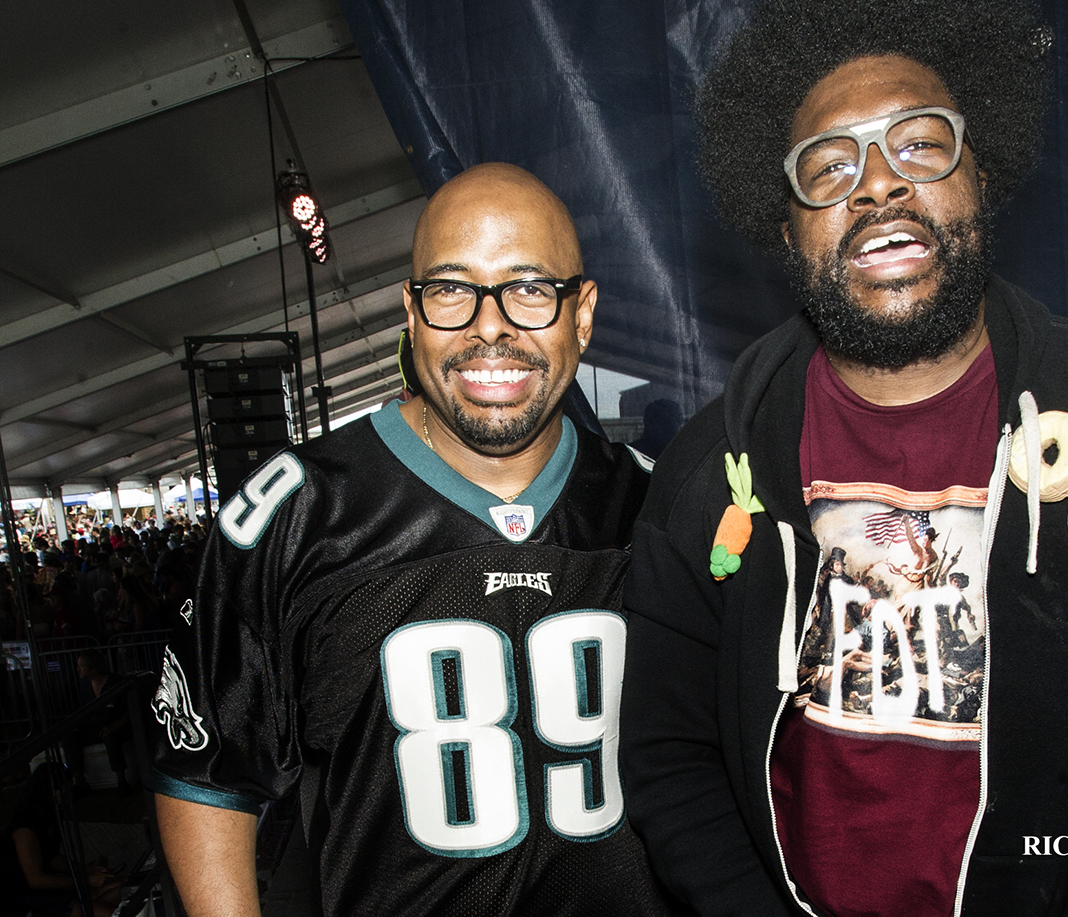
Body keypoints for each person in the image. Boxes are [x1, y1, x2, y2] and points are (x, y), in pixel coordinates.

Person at [619, 0, 1068, 916]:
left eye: (920, 144)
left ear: (981, 173)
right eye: (829, 165)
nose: (879, 183)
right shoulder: (702, 475)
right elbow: (667, 752)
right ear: (785, 228)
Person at [150, 163, 674, 916]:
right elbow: (208, 772)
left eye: (529, 288)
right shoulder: (296, 513)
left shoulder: (653, 502)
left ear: (581, 312)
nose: (489, 328)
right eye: (452, 290)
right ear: (411, 310)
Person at [1, 763, 122, 917]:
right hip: (27, 899)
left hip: (51, 891)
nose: (68, 799)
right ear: (47, 793)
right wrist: (83, 880)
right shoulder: (25, 830)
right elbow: (35, 879)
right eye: (64, 794)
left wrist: (86, 870)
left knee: (119, 887)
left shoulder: (50, 818)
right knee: (107, 912)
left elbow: (51, 857)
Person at [62, 651, 132, 797]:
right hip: (97, 726)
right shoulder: (85, 685)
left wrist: (115, 725)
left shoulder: (116, 683)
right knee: (71, 737)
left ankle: (121, 781)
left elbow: (130, 710)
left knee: (111, 737)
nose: (78, 669)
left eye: (81, 666)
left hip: (118, 726)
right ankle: (80, 782)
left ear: (93, 668)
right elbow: (84, 708)